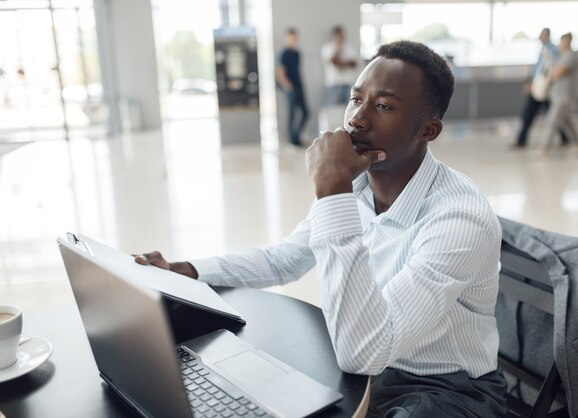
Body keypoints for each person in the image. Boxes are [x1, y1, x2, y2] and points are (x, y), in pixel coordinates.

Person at [136, 40, 507, 417]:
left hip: (444, 389)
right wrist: (189, 272)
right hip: (364, 370)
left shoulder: (460, 218)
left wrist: (332, 189)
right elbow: (285, 260)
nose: (357, 119)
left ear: (428, 130)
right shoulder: (359, 184)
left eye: (383, 106)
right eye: (355, 98)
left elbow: (365, 351)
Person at [514, 28, 569, 149]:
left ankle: (564, 137)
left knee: (549, 116)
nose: (540, 38)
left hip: (544, 89)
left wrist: (544, 84)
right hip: (538, 87)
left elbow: (551, 70)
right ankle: (521, 140)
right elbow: (537, 69)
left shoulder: (552, 51)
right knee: (531, 114)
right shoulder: (543, 50)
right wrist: (531, 82)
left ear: (547, 36)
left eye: (542, 36)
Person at [538, 33, 578, 154]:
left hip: (565, 96)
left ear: (567, 42)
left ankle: (543, 148)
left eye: (561, 42)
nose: (559, 45)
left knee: (551, 121)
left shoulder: (570, 56)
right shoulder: (561, 56)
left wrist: (549, 75)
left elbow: (557, 73)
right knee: (568, 122)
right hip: (558, 95)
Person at [276, 27, 309, 147]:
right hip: (290, 88)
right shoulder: (283, 54)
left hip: (299, 87)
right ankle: (292, 140)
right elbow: (280, 73)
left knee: (306, 113)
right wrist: (289, 87)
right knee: (292, 114)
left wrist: (302, 85)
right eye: (290, 38)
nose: (293, 40)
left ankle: (296, 137)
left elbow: (299, 71)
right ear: (286, 39)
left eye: (295, 38)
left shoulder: (297, 53)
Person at [321, 25, 359, 105]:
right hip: (333, 84)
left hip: (347, 83)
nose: (341, 37)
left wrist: (340, 63)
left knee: (347, 108)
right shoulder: (327, 48)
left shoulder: (349, 47)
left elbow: (354, 63)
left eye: (342, 35)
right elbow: (333, 62)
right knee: (332, 109)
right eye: (339, 35)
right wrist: (338, 49)